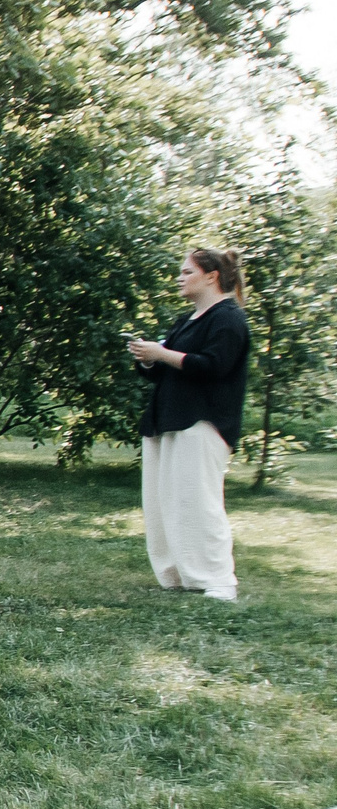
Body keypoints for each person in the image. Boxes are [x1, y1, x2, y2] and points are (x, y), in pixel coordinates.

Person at [131, 247, 250, 602]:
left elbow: (213, 366)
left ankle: (219, 580)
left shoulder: (228, 319)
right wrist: (149, 358)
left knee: (199, 502)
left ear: (211, 276)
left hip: (203, 422)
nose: (180, 278)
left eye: (187, 272)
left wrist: (162, 353)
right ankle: (179, 575)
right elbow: (167, 368)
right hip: (168, 419)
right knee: (165, 502)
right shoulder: (188, 320)